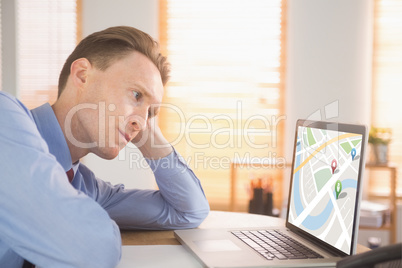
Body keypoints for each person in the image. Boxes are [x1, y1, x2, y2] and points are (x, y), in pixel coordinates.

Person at [0, 26, 210, 268]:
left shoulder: (86, 188)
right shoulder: (5, 117)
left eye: (151, 113)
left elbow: (189, 212)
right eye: (136, 94)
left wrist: (144, 123)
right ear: (81, 75)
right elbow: (92, 252)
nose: (141, 123)